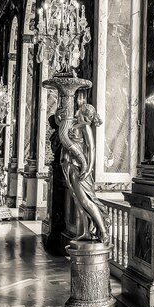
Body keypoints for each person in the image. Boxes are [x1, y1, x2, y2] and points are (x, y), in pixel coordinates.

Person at [57, 102, 110, 243]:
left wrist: (88, 169)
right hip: (69, 165)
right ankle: (86, 231)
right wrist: (59, 112)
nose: (75, 113)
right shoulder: (74, 124)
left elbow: (91, 149)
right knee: (78, 202)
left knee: (86, 201)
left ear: (84, 115)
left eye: (79, 111)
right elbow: (59, 124)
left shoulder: (86, 127)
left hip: (80, 168)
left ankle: (103, 232)